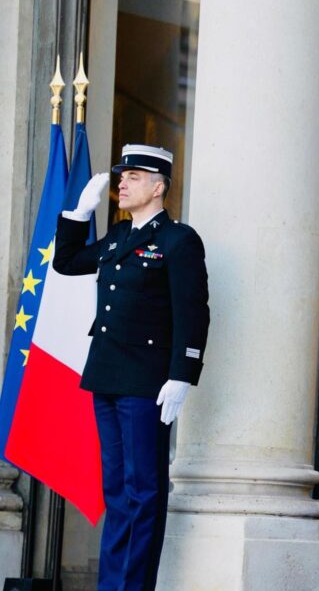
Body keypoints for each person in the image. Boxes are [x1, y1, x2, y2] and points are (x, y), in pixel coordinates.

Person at [52, 144, 209, 591]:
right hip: (107, 374)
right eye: (122, 176)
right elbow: (66, 263)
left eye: (134, 176)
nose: (122, 183)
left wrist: (181, 374)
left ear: (158, 187)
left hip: (145, 381)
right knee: (117, 491)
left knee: (144, 491)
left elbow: (193, 312)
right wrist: (79, 214)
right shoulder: (119, 236)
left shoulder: (178, 240)